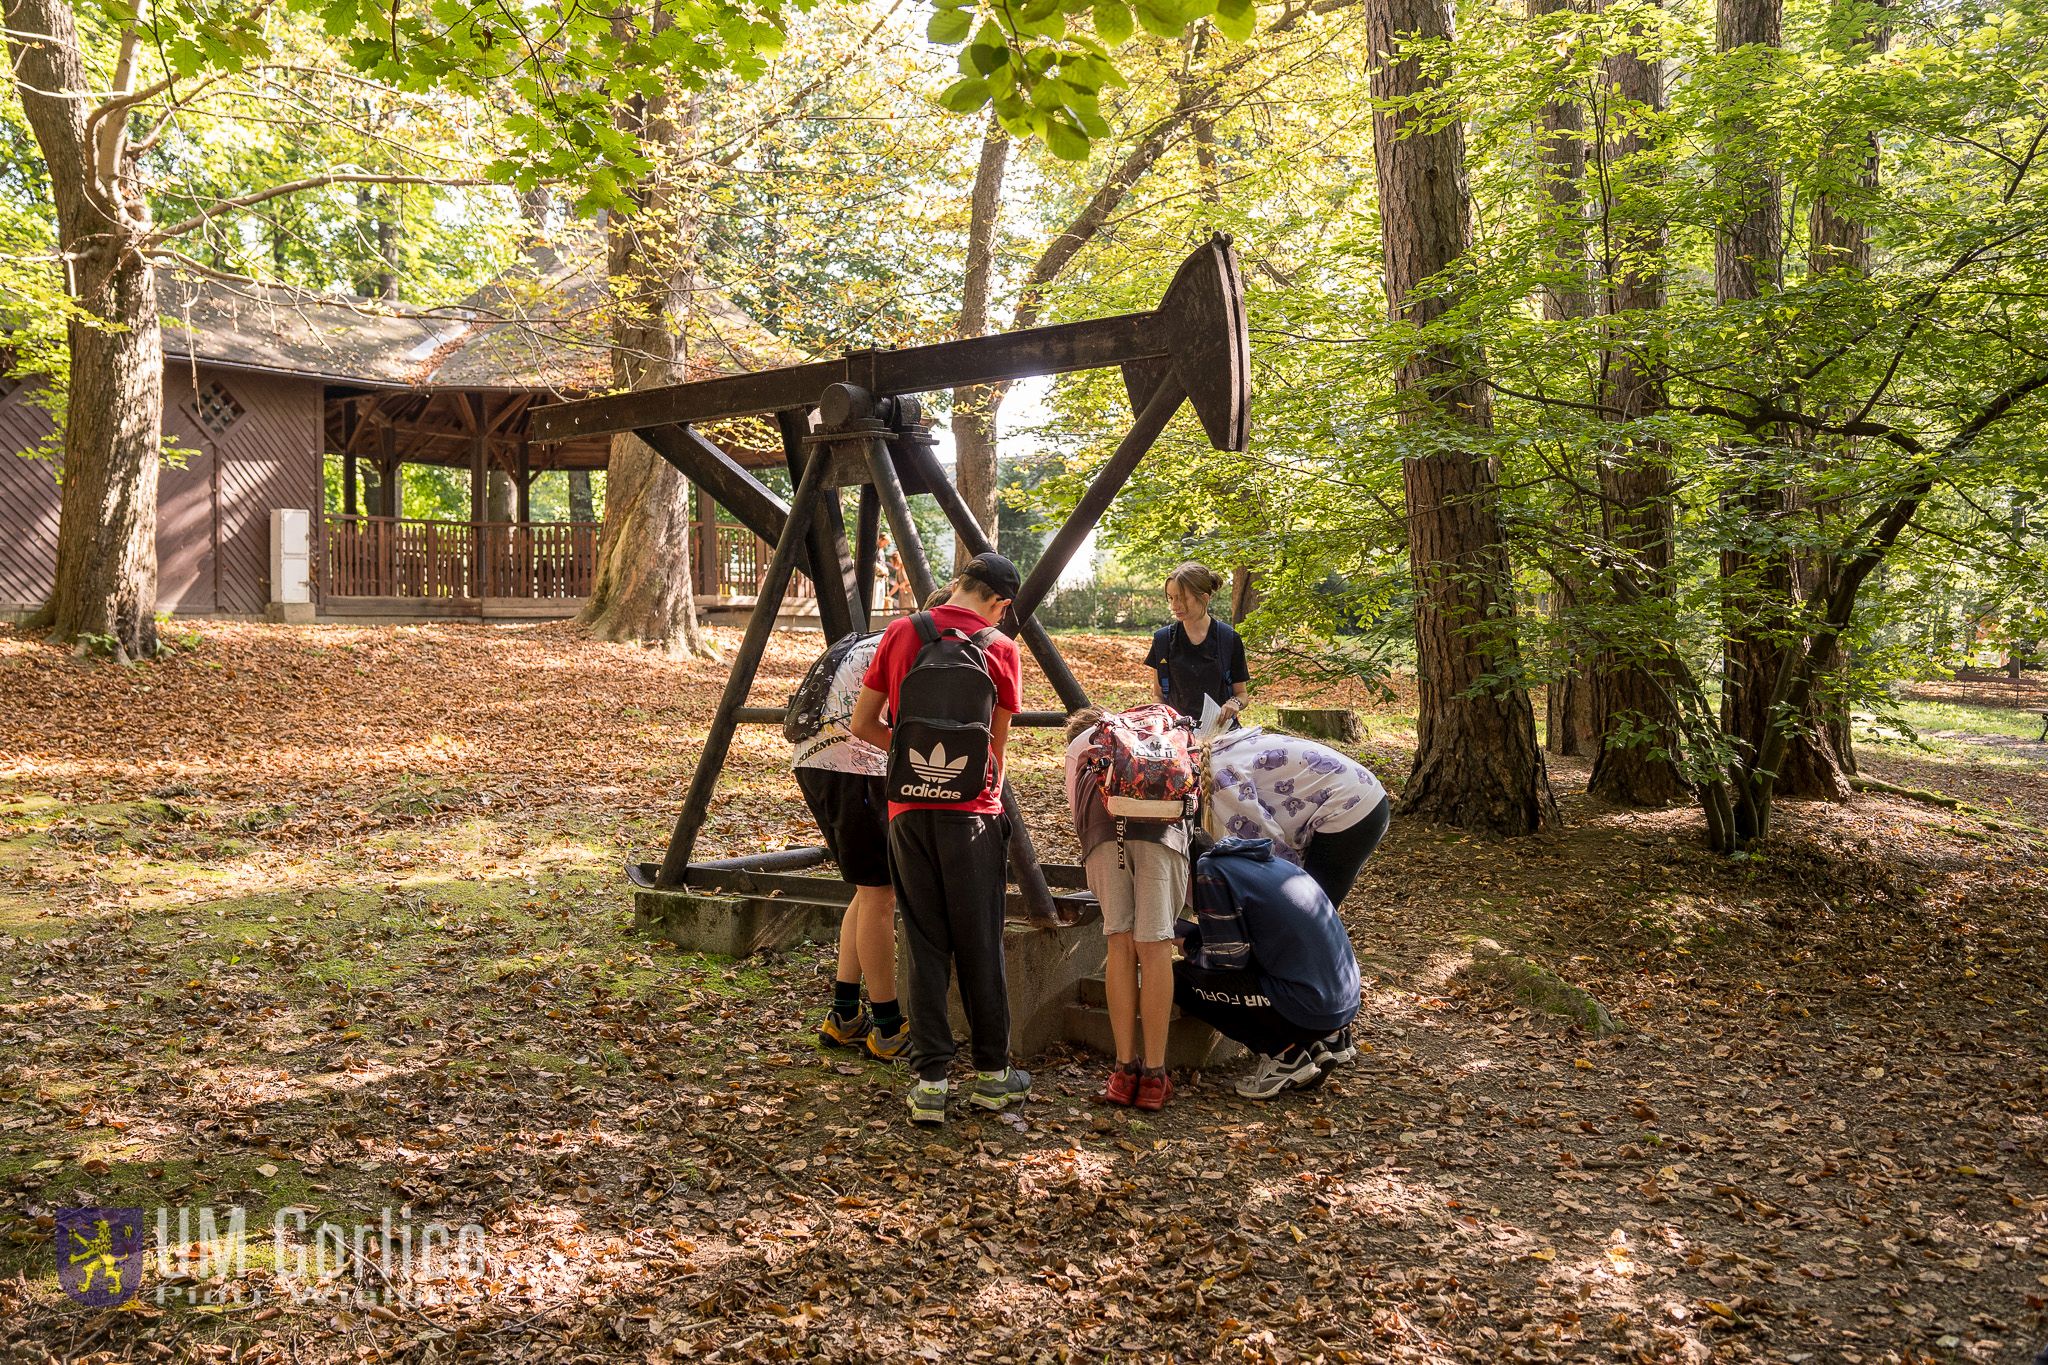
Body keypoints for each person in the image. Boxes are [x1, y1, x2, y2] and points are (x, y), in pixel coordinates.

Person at [850, 552, 1032, 1125]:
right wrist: (968, 785)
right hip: (972, 814)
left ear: (959, 585)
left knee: (925, 941)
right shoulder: (1000, 648)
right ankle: (993, 1075)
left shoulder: (902, 631)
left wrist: (912, 766)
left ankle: (930, 1082)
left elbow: (862, 725)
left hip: (907, 812)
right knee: (979, 940)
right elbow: (995, 750)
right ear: (1000, 603)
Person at [1063, 707, 1190, 1111]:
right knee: (1154, 947)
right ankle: (1154, 1076)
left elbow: (1076, 812)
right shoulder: (1165, 737)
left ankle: (1123, 1071)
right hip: (1165, 834)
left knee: (1119, 943)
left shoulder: (1080, 747)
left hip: (1104, 835)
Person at [789, 632, 908, 1061]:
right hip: (852, 765)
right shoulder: (917, 642)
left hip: (821, 760)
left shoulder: (883, 636)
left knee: (867, 890)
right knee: (881, 894)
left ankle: (844, 1016)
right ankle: (888, 1027)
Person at [1173, 837, 1360, 1098]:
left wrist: (1190, 949)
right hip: (1341, 1002)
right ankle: (1323, 1040)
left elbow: (1229, 961)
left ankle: (1286, 1055)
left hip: (1310, 1005)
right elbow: (1253, 938)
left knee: (1179, 980)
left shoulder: (1209, 872)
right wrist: (1196, 938)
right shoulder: (1264, 864)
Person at [1204, 725, 1389, 909]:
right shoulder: (1218, 752)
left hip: (1351, 807)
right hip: (1360, 793)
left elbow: (1269, 848)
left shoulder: (1219, 780)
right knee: (1306, 910)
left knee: (1310, 911)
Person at [1144, 562, 1250, 725]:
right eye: (1171, 598)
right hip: (1178, 735)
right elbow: (1158, 695)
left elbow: (1241, 694)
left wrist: (1234, 704)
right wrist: (1159, 717)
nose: (1174, 605)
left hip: (1222, 734)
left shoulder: (1229, 638)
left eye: (1182, 598)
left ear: (1204, 598)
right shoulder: (1163, 639)